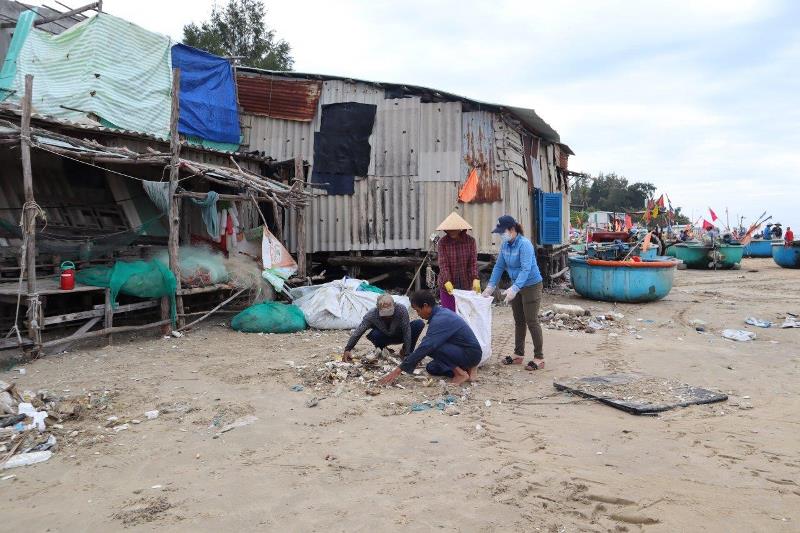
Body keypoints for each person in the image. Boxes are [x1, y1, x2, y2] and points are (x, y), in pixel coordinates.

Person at [379, 290, 482, 386]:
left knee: (431, 348)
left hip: (470, 353)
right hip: (463, 351)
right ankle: (469, 369)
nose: (418, 315)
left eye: (418, 310)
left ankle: (461, 373)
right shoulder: (440, 313)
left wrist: (399, 369)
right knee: (431, 368)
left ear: (426, 306)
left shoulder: (440, 319)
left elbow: (426, 346)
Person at [482, 215, 545, 371]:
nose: (501, 235)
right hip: (515, 284)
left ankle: (539, 357)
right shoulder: (505, 245)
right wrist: (490, 287)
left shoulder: (525, 245)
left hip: (531, 285)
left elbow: (526, 268)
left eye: (502, 232)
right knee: (519, 320)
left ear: (511, 229)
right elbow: (498, 267)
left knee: (531, 320)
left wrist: (515, 288)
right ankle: (518, 354)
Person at [343, 294, 424, 362]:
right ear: (377, 308)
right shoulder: (371, 315)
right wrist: (348, 349)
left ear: (394, 305)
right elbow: (358, 332)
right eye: (384, 314)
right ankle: (382, 349)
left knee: (418, 324)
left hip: (399, 334)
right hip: (383, 337)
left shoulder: (401, 310)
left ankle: (405, 352)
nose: (388, 316)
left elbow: (407, 331)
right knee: (374, 334)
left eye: (390, 313)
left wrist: (407, 354)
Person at [436, 212, 480, 312]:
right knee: (449, 314)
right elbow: (443, 264)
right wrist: (447, 281)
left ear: (461, 228)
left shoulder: (470, 241)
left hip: (466, 284)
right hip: (447, 285)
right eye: (449, 229)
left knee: (466, 313)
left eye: (454, 229)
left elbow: (473, 262)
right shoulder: (443, 243)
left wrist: (475, 278)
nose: (451, 231)